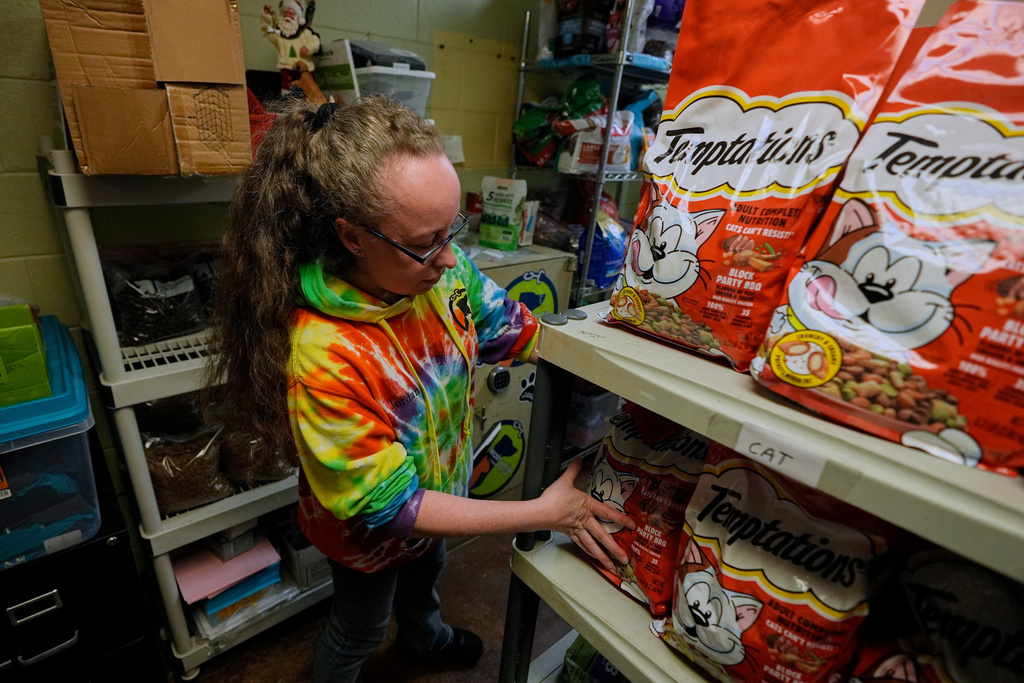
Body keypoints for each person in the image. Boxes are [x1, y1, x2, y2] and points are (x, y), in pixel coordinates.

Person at [205, 95, 633, 683]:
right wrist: (541, 512)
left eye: (451, 228)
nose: (451, 257)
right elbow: (392, 508)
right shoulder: (322, 355)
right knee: (359, 625)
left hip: (442, 494)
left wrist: (625, 353)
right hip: (368, 534)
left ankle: (424, 638)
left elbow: (513, 331)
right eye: (426, 241)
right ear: (352, 237)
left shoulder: (440, 271)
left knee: (425, 580)